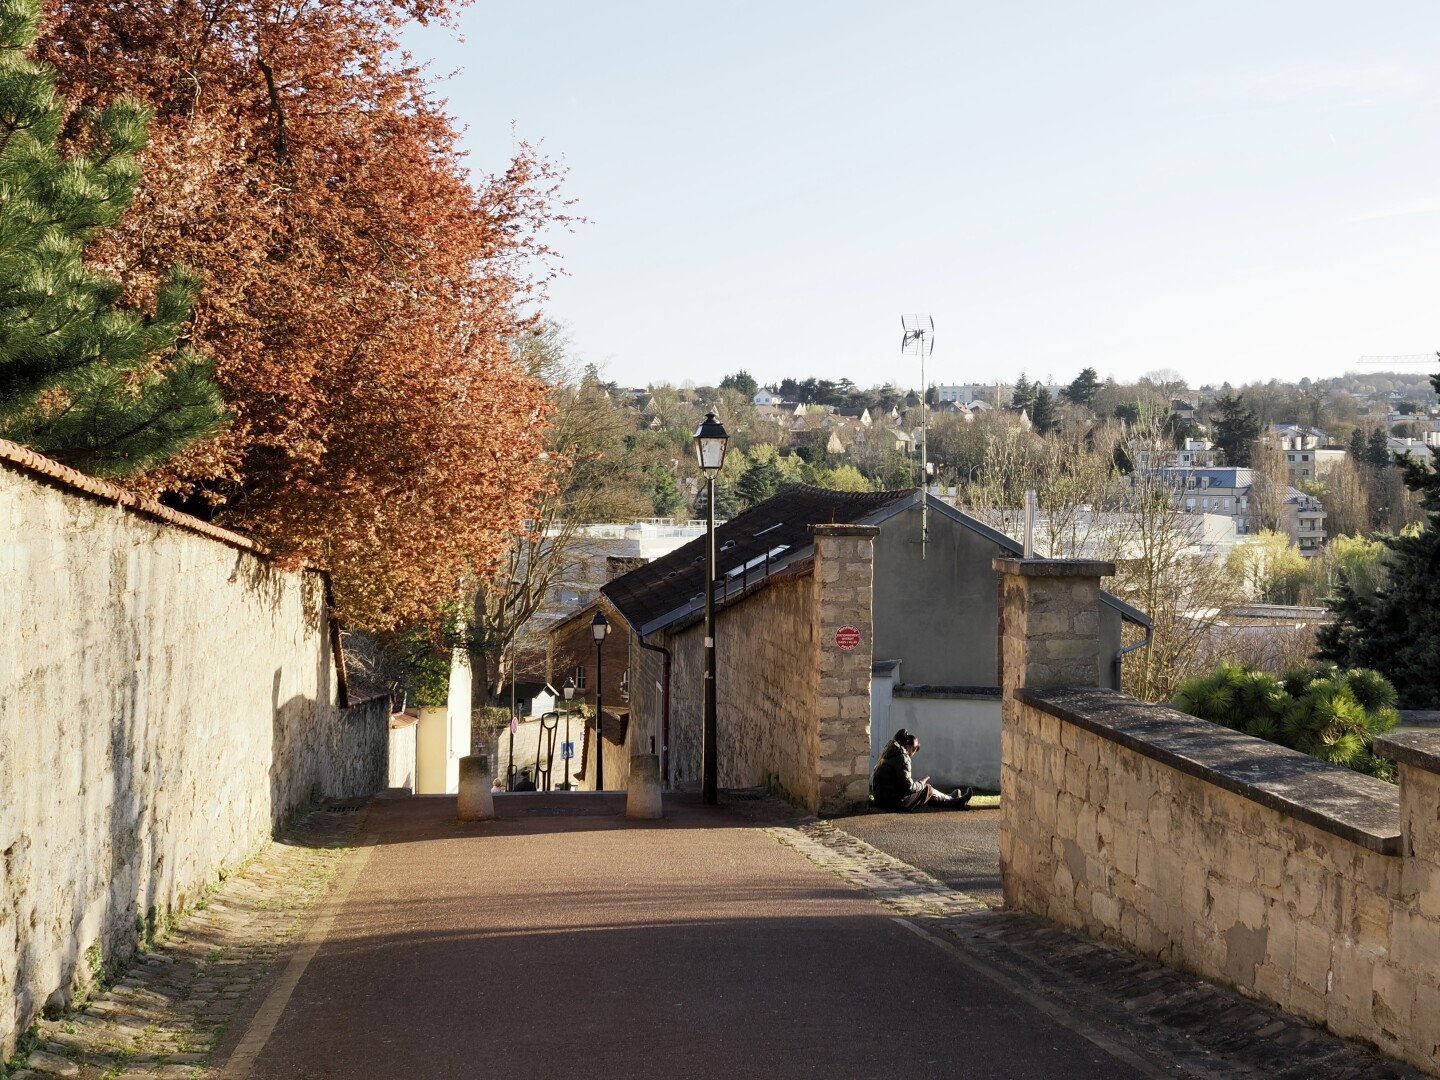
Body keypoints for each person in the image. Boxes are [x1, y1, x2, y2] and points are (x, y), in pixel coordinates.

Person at [871, 729, 972, 811]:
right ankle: (954, 800)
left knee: (923, 793)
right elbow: (908, 787)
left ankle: (951, 799)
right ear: (910, 747)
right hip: (893, 802)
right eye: (914, 750)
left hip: (881, 799)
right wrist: (922, 783)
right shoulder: (902, 757)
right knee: (926, 789)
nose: (913, 754)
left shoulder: (889, 753)